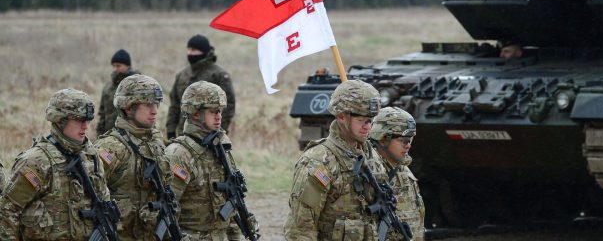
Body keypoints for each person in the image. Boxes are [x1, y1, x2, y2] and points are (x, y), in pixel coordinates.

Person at [0, 89, 117, 240]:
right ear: (60, 120)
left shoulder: (91, 157)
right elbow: (8, 212)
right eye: (79, 120)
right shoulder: (36, 162)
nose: (85, 127)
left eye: (87, 120)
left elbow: (104, 199)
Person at [284, 79, 390, 240]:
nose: (368, 127)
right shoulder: (319, 161)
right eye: (361, 121)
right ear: (341, 117)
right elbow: (301, 229)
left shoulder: (371, 155)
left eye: (370, 120)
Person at [165, 81, 260, 240]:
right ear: (195, 113)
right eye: (213, 111)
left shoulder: (219, 149)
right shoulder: (180, 154)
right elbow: (167, 212)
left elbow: (230, 205)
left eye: (220, 111)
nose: (219, 116)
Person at [95, 74, 178, 240]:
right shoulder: (111, 148)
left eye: (156, 104)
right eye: (148, 105)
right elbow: (89, 197)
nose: (155, 111)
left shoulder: (155, 143)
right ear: (128, 108)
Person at [368, 107, 425, 241]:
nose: (408, 146)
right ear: (383, 139)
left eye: (410, 140)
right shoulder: (368, 172)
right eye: (403, 140)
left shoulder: (404, 170)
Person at [166, 34, 236, 139]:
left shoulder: (219, 75)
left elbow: (228, 106)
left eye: (194, 50)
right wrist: (171, 130)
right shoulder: (182, 75)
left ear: (203, 51)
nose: (190, 53)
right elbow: (175, 105)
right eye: (188, 49)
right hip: (184, 134)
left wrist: (219, 132)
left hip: (208, 135)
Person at [97, 48, 139, 136]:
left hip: (131, 136)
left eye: (118, 66)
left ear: (127, 66)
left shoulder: (138, 85)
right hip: (109, 135)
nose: (115, 69)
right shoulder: (108, 88)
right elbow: (102, 114)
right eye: (113, 66)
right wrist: (99, 135)